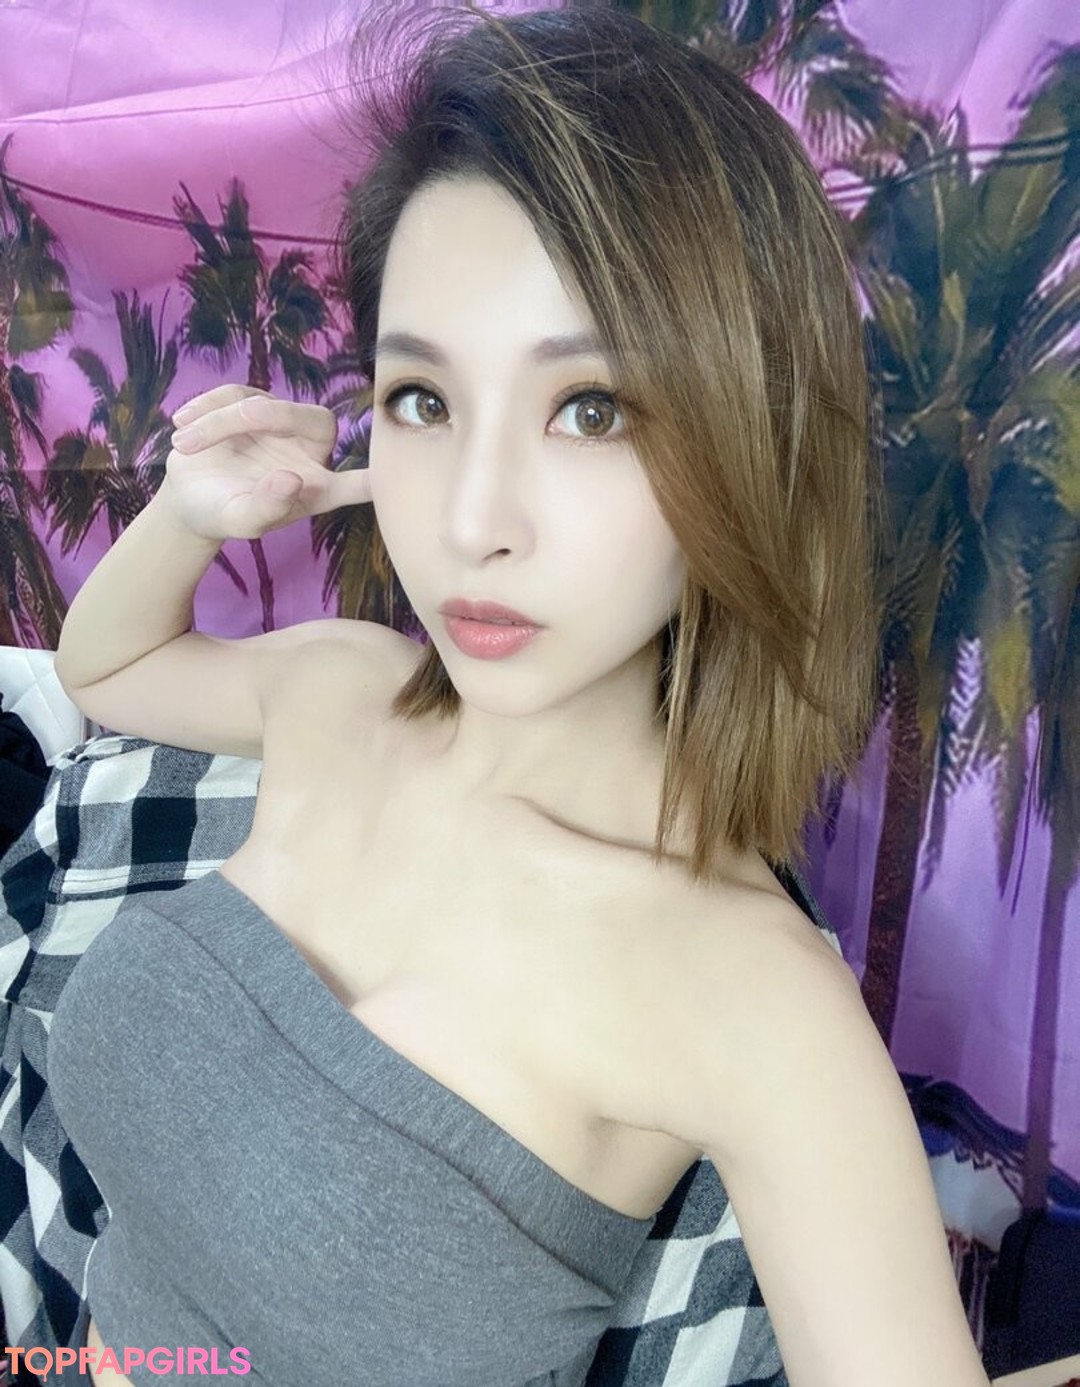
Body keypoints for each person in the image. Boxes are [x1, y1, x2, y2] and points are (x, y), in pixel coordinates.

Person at [47, 5, 992, 1385]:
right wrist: (191, 512)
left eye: (590, 409)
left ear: (751, 436)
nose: (472, 523)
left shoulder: (749, 998)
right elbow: (107, 671)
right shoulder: (346, 693)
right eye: (424, 401)